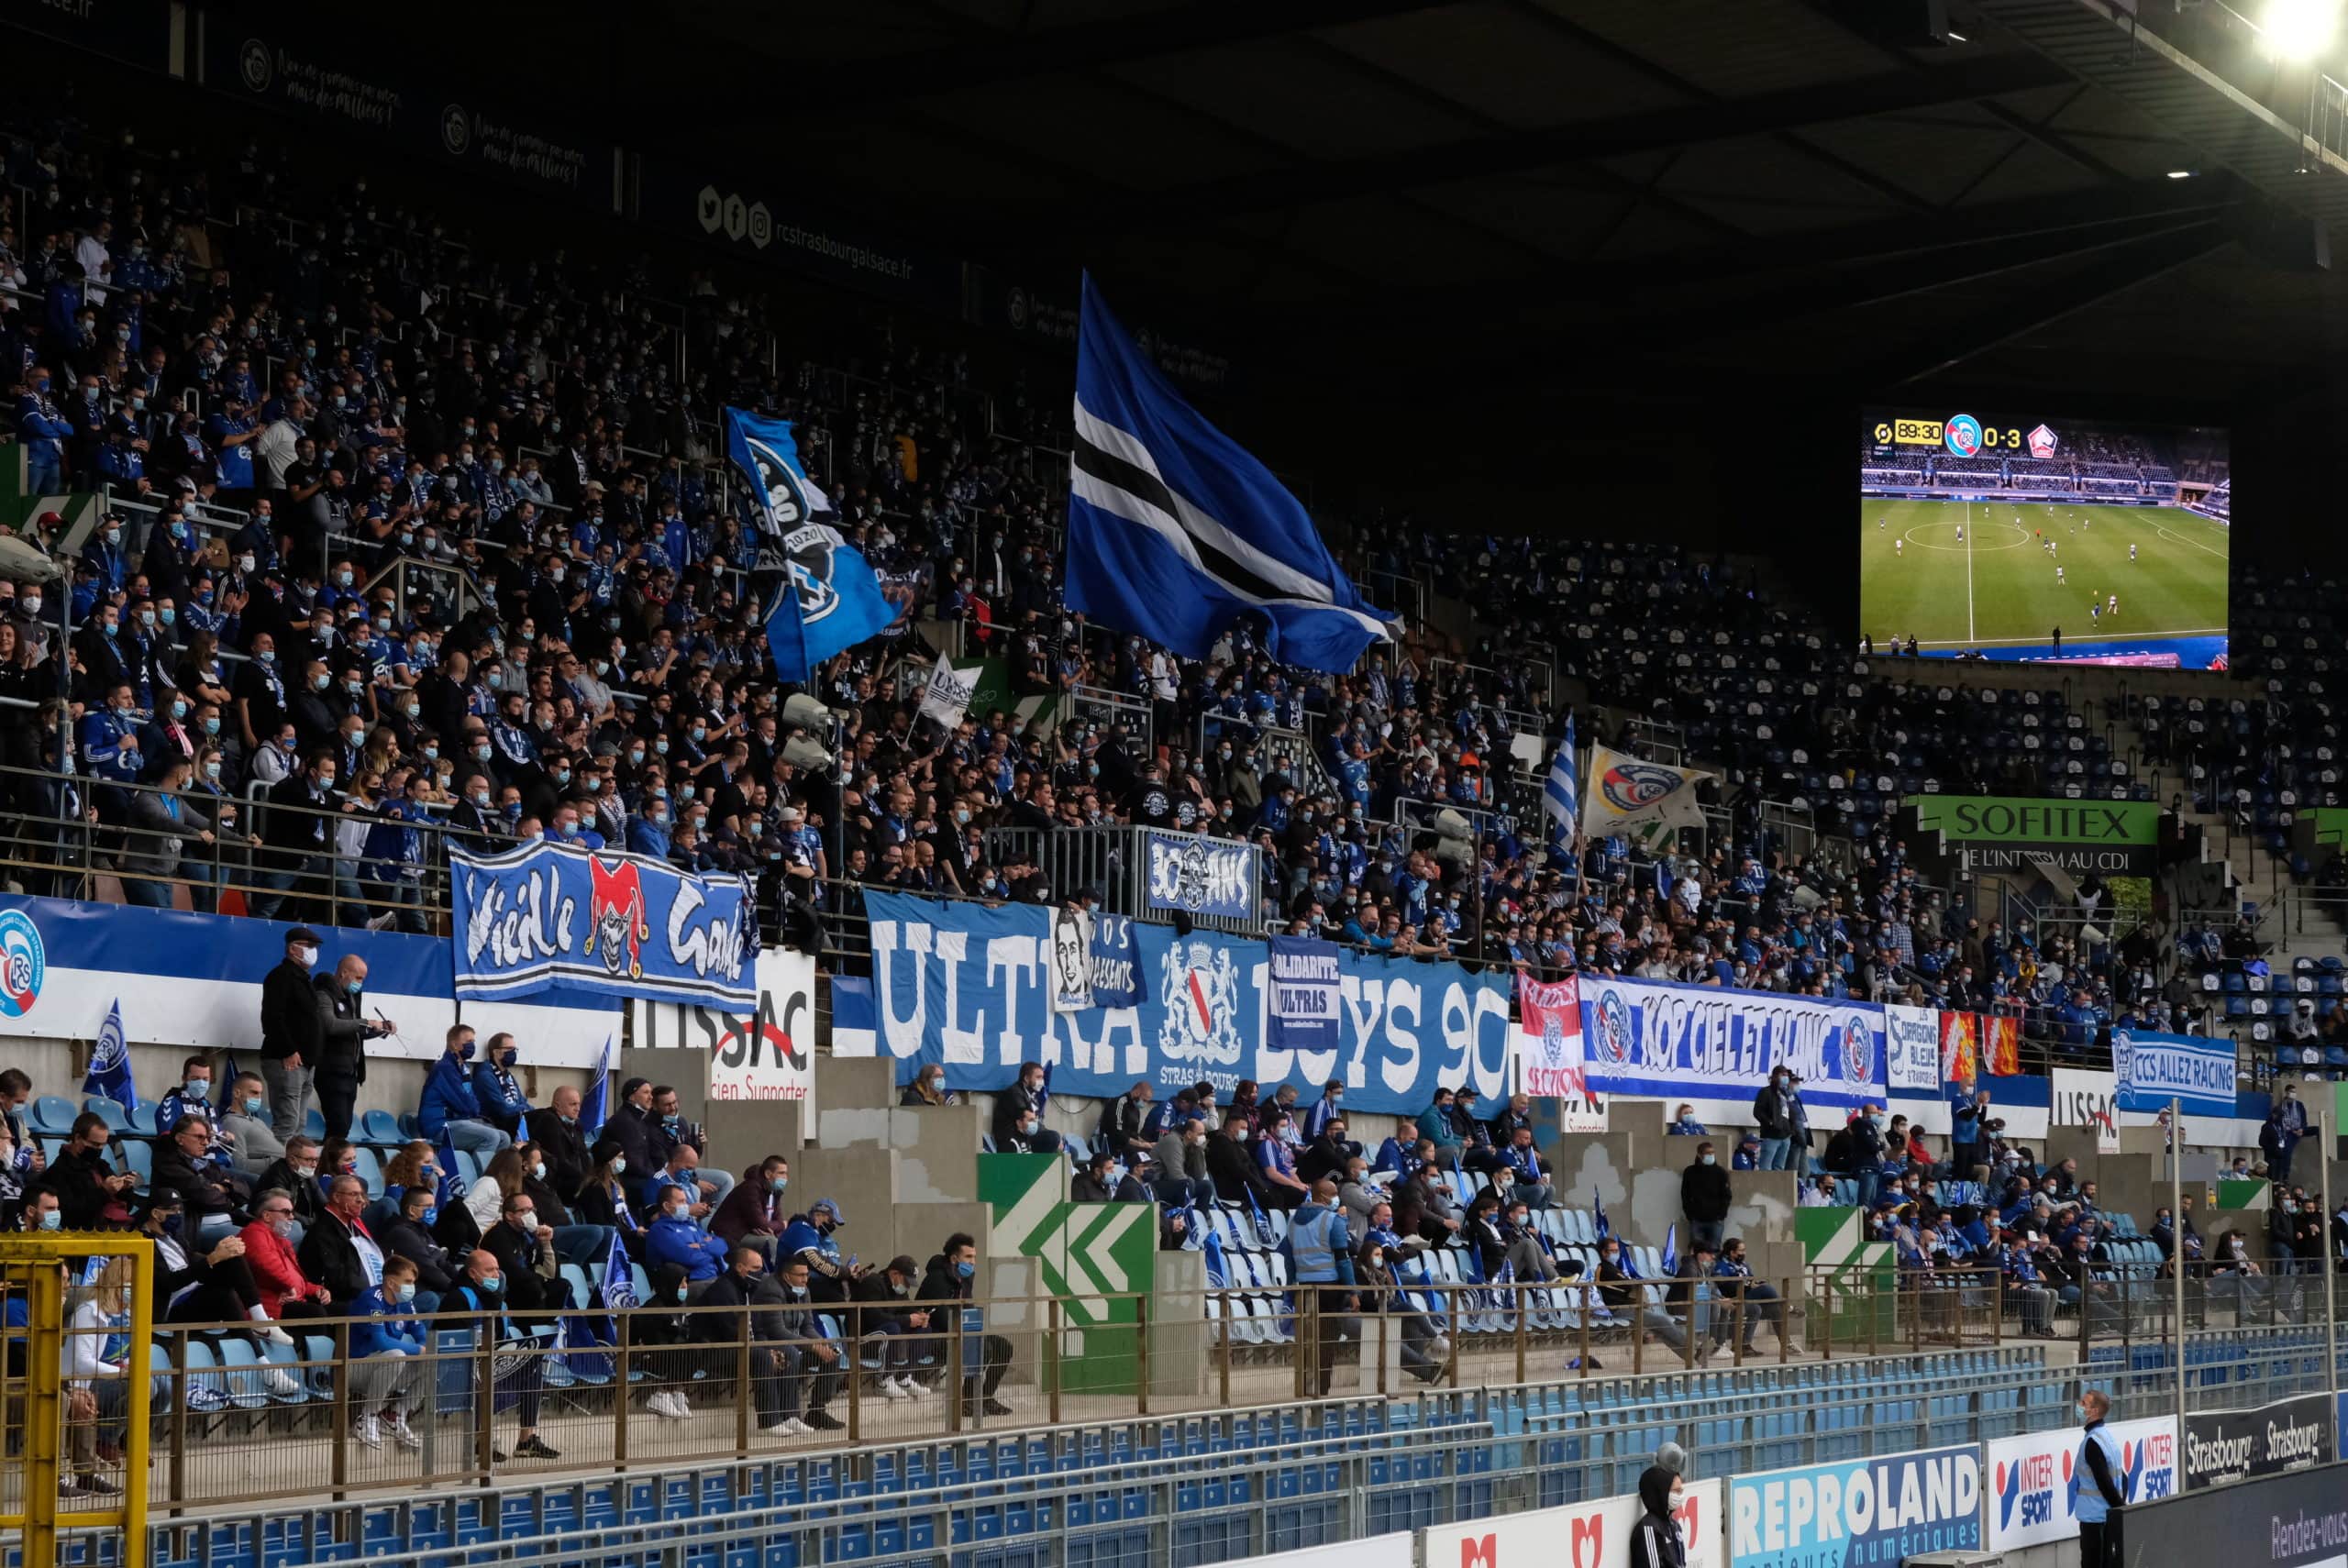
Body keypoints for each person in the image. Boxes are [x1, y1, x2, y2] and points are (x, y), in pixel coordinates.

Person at [444, 1248, 559, 1460]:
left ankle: (527, 1439)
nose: (496, 1275)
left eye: (497, 1269)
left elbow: (504, 1338)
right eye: (489, 1270)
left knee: (532, 1364)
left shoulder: (498, 1300)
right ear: (473, 1274)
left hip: (492, 1363)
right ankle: (481, 1442)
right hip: (461, 1367)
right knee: (482, 1374)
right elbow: (453, 1341)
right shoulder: (459, 1298)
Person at [918, 1231, 1013, 1419]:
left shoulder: (966, 1278)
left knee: (1003, 1346)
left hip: (961, 1333)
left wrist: (971, 1328)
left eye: (974, 1257)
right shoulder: (936, 1278)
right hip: (936, 1337)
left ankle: (985, 1397)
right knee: (981, 1348)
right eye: (968, 1257)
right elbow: (941, 1317)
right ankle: (966, 1400)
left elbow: (968, 1308)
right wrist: (967, 1331)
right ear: (954, 1258)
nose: (973, 1262)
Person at [1281, 1178, 1359, 1397]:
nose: (1336, 1197)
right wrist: (1352, 1292)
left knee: (1307, 1341)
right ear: (1323, 1196)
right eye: (1334, 1193)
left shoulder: (1293, 1221)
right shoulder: (1332, 1220)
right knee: (1326, 1342)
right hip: (1329, 1288)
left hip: (1304, 1287)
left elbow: (1289, 1258)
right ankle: (1322, 1391)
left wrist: (1291, 1287)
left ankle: (1305, 1388)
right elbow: (1343, 1260)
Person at [347, 1255, 426, 1451]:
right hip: (353, 1368)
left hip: (385, 1370)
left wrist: (424, 1348)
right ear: (391, 1282)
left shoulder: (406, 1303)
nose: (411, 1287)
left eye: (413, 1282)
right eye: (407, 1282)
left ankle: (395, 1415)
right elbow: (381, 1341)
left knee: (434, 1360)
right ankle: (368, 1417)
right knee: (397, 1355)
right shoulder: (372, 1301)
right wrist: (419, 1350)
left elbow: (421, 1333)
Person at [257, 925, 324, 1141]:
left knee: (299, 1125)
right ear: (293, 949)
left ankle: (292, 1170)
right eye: (309, 946)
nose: (313, 951)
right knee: (287, 1124)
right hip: (287, 1060)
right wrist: (289, 1050)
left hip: (305, 1062)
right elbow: (272, 1018)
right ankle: (274, 1168)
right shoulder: (281, 976)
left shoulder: (304, 979)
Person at [313, 953, 389, 1142]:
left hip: (351, 1073)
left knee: (344, 1128)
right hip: (330, 1071)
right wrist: (364, 1022)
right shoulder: (324, 994)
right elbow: (331, 1025)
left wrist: (380, 1029)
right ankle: (328, 1167)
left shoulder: (351, 998)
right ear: (344, 973)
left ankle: (333, 1165)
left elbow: (355, 1032)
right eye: (358, 978)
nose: (360, 983)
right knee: (337, 1126)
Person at [849, 1253, 935, 1401]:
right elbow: (873, 1318)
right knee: (893, 1328)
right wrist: (907, 1319)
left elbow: (906, 1309)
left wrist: (918, 1316)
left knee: (924, 1328)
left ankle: (904, 1376)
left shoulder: (898, 1289)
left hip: (886, 1337)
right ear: (894, 1273)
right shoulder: (873, 1283)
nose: (907, 1286)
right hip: (864, 1339)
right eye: (906, 1281)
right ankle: (883, 1380)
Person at [420, 1025, 511, 1157]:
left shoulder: (462, 1068)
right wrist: (472, 1107)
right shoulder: (444, 1068)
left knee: (504, 1137)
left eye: (473, 1042)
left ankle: (495, 1174)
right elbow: (464, 1105)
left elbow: (472, 1102)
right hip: (438, 1126)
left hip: (458, 1121)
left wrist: (472, 1107)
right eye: (468, 1042)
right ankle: (481, 1176)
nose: (472, 1045)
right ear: (454, 1044)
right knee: (491, 1137)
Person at [711, 1155, 792, 1267]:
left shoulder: (775, 1192)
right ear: (768, 1174)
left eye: (786, 1173)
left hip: (751, 1233)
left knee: (781, 1239)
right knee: (771, 1241)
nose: (785, 1177)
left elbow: (776, 1220)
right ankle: (774, 1278)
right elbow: (761, 1224)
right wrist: (782, 1225)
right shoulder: (751, 1188)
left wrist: (776, 1228)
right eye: (781, 1173)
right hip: (731, 1236)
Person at [2075, 1388, 2124, 1567]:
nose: (2079, 1406)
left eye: (2084, 1403)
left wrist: (2120, 1509)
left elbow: (2104, 1482)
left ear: (2094, 1411)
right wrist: (2119, 1509)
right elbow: (2123, 1478)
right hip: (2106, 1516)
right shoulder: (2107, 1437)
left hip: (2093, 1517)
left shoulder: (2092, 1443)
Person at [1713, 1237, 1789, 1354]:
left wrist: (1755, 1285)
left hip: (1748, 1298)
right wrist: (1748, 1287)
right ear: (1732, 1252)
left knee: (1774, 1309)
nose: (1744, 1253)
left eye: (1745, 1250)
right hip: (1733, 1300)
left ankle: (1786, 1344)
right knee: (1767, 1289)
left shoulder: (1744, 1265)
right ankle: (1788, 1307)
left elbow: (1751, 1281)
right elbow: (1725, 1287)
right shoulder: (1721, 1266)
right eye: (1741, 1251)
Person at [471, 1033, 532, 1139]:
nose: (513, 1052)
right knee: (544, 1119)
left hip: (515, 1118)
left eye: (515, 1049)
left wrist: (528, 1108)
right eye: (509, 1049)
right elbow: (502, 1109)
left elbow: (521, 1100)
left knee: (546, 1116)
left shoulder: (508, 1075)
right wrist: (524, 1108)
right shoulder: (485, 1075)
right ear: (496, 1052)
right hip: (499, 1122)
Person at [991, 1061, 1060, 1154]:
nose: (1042, 1081)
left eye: (1042, 1077)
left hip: (1027, 1136)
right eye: (1038, 1077)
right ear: (1027, 1078)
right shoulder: (1014, 1093)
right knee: (1053, 1138)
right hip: (1013, 1139)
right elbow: (1026, 1118)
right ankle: (1036, 1166)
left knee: (1070, 1150)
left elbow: (1036, 1122)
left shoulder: (1032, 1095)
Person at [1750, 1067, 1807, 1173]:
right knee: (1765, 1167)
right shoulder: (1766, 1092)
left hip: (1785, 1135)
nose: (1785, 1078)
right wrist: (1770, 1123)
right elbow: (1758, 1112)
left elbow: (1791, 1112)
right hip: (1771, 1136)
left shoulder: (1786, 1093)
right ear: (1775, 1076)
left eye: (1786, 1075)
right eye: (1783, 1075)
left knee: (1779, 1168)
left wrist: (1791, 1129)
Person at [1680, 1142, 1730, 1254]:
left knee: (1714, 1250)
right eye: (1707, 1153)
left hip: (1715, 1220)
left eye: (1712, 1153)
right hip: (1697, 1219)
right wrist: (1689, 1214)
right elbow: (1685, 1194)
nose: (1711, 1155)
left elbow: (1726, 1195)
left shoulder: (1721, 1172)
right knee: (1697, 1251)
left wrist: (1721, 1214)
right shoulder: (1690, 1172)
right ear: (1699, 1154)